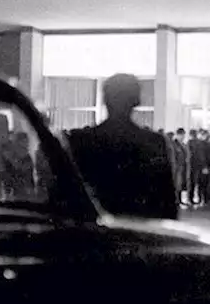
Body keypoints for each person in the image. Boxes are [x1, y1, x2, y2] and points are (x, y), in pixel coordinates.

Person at [65, 72, 175, 220]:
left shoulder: (81, 140)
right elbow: (167, 201)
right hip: (140, 229)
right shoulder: (153, 143)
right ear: (137, 100)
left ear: (105, 99)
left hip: (92, 231)